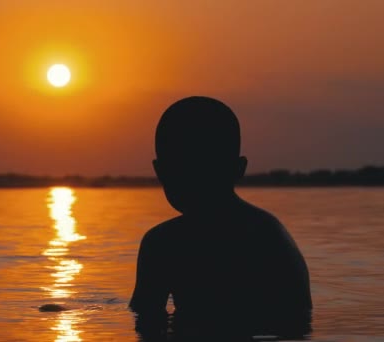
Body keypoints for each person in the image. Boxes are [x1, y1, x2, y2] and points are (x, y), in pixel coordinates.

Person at [129, 96, 312, 340]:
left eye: (202, 169)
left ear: (160, 171)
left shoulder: (164, 243)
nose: (195, 181)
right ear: (239, 168)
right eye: (186, 169)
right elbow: (298, 323)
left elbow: (146, 321)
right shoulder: (270, 234)